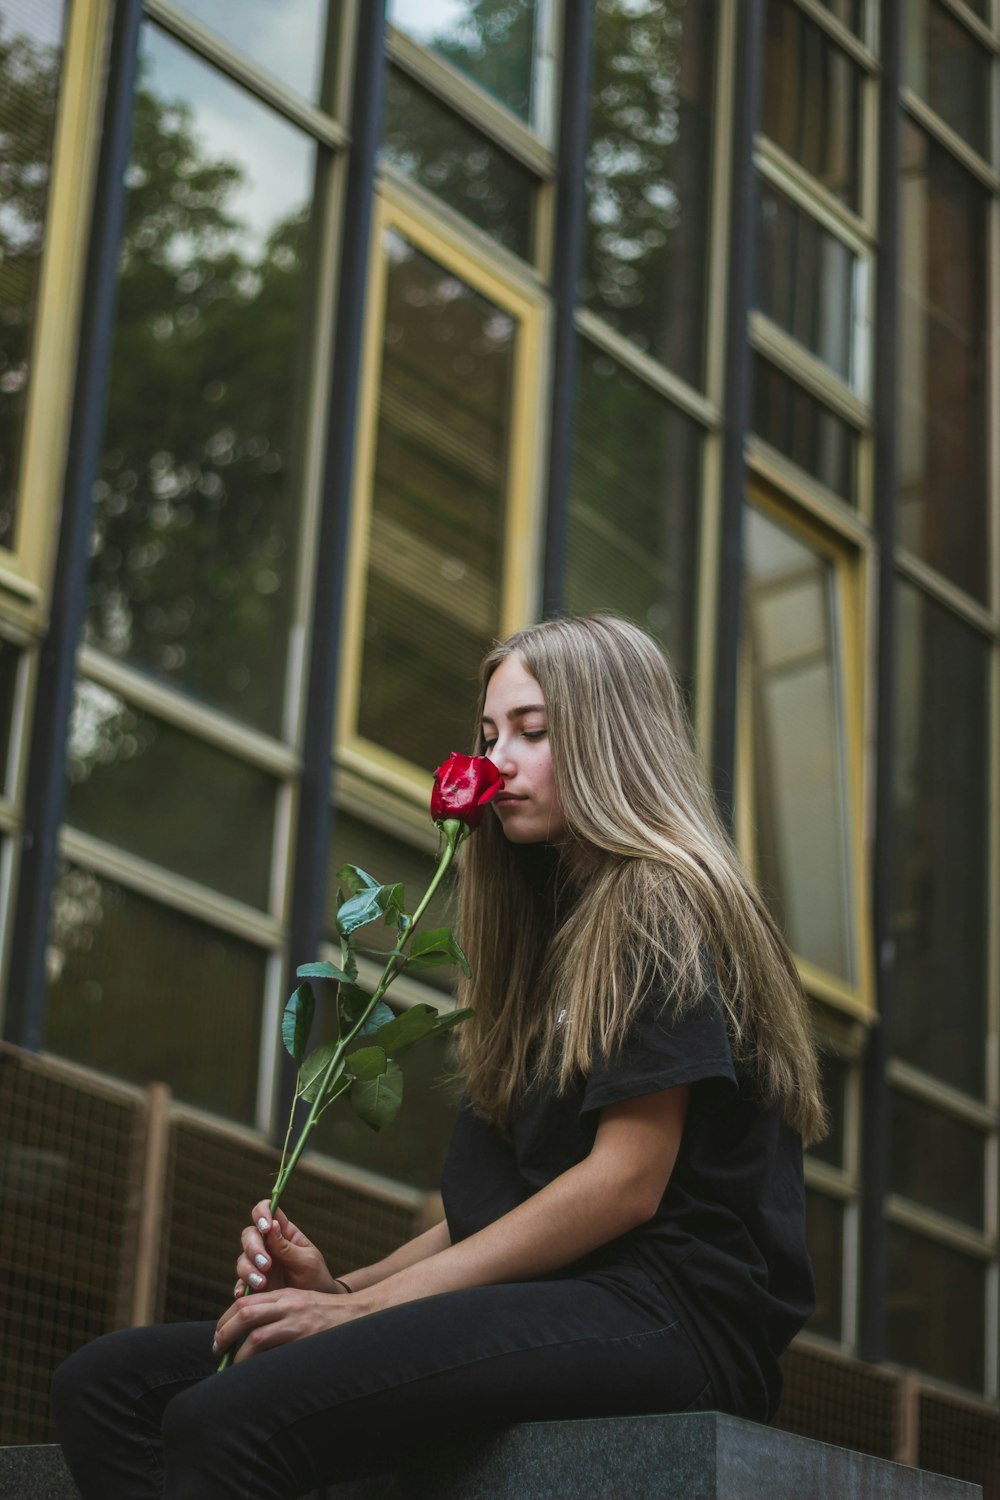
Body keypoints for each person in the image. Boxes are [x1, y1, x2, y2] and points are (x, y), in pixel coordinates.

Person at [52, 614, 825, 1499]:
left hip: (669, 1315)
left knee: (224, 1415)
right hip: (559, 1291)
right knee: (109, 1388)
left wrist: (363, 1313)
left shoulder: (661, 903)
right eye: (489, 736)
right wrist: (348, 1287)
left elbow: (622, 1183)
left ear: (613, 737)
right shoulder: (539, 932)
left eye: (533, 733)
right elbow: (508, 1207)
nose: (499, 762)